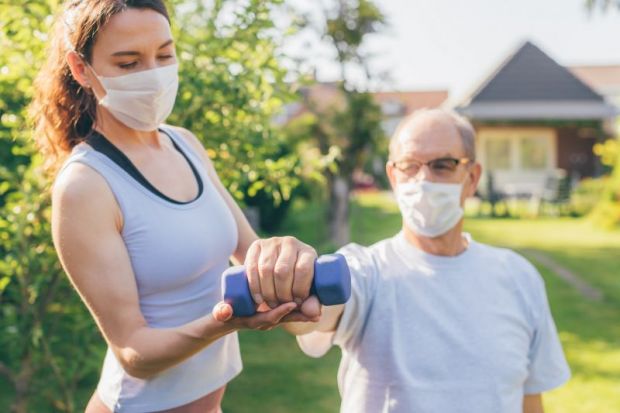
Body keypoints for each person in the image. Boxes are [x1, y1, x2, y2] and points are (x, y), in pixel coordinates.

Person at [32, 1, 319, 412]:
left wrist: (287, 260)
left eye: (164, 55)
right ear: (81, 69)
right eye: (129, 63)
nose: (153, 75)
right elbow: (134, 352)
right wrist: (226, 321)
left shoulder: (185, 143)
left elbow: (251, 251)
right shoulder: (85, 186)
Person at [283, 109, 571, 413]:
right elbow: (316, 312)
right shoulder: (367, 270)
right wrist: (293, 278)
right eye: (409, 166)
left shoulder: (518, 277)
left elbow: (530, 399)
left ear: (471, 177)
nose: (423, 180)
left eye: (442, 165)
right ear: (393, 177)